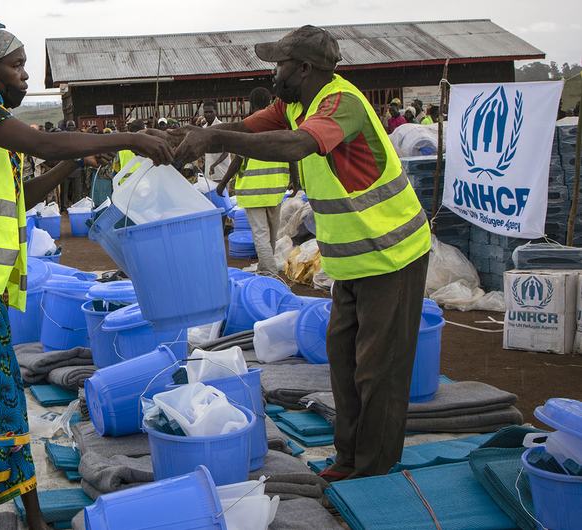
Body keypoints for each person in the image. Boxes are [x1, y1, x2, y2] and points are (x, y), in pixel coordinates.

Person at [0, 17, 171, 526]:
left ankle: (23, 506)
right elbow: (42, 143)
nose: (24, 77)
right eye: (17, 66)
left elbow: (21, 203)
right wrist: (130, 136)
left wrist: (78, 163)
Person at [164, 25, 430, 479]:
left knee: (377, 371)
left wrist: (216, 140)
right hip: (350, 262)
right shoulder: (293, 104)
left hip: (392, 257)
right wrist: (188, 135)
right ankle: (349, 458)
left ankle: (373, 471)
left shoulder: (339, 103)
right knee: (343, 362)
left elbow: (298, 144)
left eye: (280, 63)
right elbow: (242, 128)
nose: (273, 71)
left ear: (304, 68)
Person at [215, 87, 298, 275]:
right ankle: (265, 266)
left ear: (251, 104)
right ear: (270, 101)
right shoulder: (281, 124)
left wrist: (223, 183)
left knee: (260, 233)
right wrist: (295, 180)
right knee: (271, 232)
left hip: (253, 191)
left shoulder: (250, 126)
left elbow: (238, 160)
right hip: (276, 188)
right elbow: (292, 154)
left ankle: (269, 271)